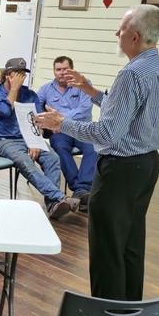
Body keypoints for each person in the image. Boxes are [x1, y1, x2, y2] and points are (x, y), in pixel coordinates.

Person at [35, 5, 159, 301]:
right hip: (147, 165)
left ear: (135, 37)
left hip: (120, 170)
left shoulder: (132, 74)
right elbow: (126, 110)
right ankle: (128, 310)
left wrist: (62, 124)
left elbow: (107, 132)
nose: (117, 33)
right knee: (130, 243)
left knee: (107, 248)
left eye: (121, 28)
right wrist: (90, 90)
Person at [0, 57, 76, 219]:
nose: (21, 77)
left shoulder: (30, 95)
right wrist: (14, 89)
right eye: (17, 73)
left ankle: (53, 205)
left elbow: (38, 121)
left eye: (23, 74)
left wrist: (35, 141)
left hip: (28, 137)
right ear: (7, 75)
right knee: (25, 161)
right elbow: (5, 111)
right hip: (3, 140)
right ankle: (59, 197)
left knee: (53, 158)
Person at [37, 56, 97, 209]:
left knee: (94, 148)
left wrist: (59, 117)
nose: (62, 73)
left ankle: (82, 188)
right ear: (54, 71)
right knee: (60, 149)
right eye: (58, 70)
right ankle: (81, 191)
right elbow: (35, 108)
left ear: (72, 69)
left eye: (65, 69)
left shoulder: (83, 85)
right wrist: (48, 120)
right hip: (59, 132)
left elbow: (84, 110)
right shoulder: (45, 90)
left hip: (81, 128)